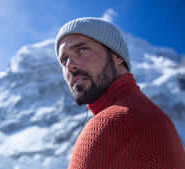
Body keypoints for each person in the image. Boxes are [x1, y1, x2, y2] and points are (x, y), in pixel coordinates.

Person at [54, 17, 185, 169]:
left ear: (118, 56)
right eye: (64, 61)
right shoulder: (150, 115)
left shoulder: (111, 124)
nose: (70, 66)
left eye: (82, 50)